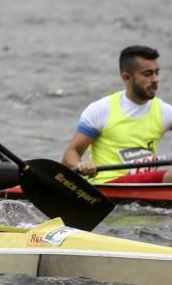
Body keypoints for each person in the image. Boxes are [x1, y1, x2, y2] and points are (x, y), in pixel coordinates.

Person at [61, 46, 172, 185]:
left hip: (145, 184)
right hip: (108, 185)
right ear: (127, 77)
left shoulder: (164, 111)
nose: (155, 79)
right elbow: (71, 154)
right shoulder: (100, 110)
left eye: (157, 73)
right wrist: (81, 165)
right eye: (147, 74)